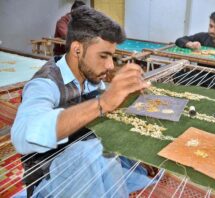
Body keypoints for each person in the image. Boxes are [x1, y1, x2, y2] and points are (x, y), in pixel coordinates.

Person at [12, 6, 153, 197]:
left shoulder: (91, 78)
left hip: (87, 167)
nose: (111, 65)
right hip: (49, 181)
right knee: (92, 151)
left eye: (112, 56)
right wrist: (102, 103)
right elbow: (23, 136)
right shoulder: (44, 84)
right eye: (103, 56)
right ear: (77, 49)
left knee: (114, 153)